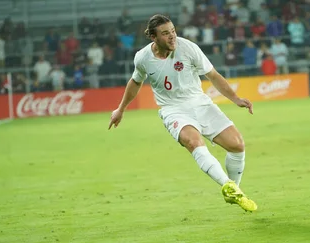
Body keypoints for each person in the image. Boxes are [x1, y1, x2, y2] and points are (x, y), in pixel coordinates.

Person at [108, 14, 257, 212]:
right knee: (194, 142)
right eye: (165, 33)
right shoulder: (143, 57)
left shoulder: (188, 48)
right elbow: (136, 82)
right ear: (153, 37)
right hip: (173, 110)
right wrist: (121, 108)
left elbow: (212, 75)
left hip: (200, 103)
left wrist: (236, 98)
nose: (172, 37)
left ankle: (235, 190)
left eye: (173, 31)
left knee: (237, 145)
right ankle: (227, 186)